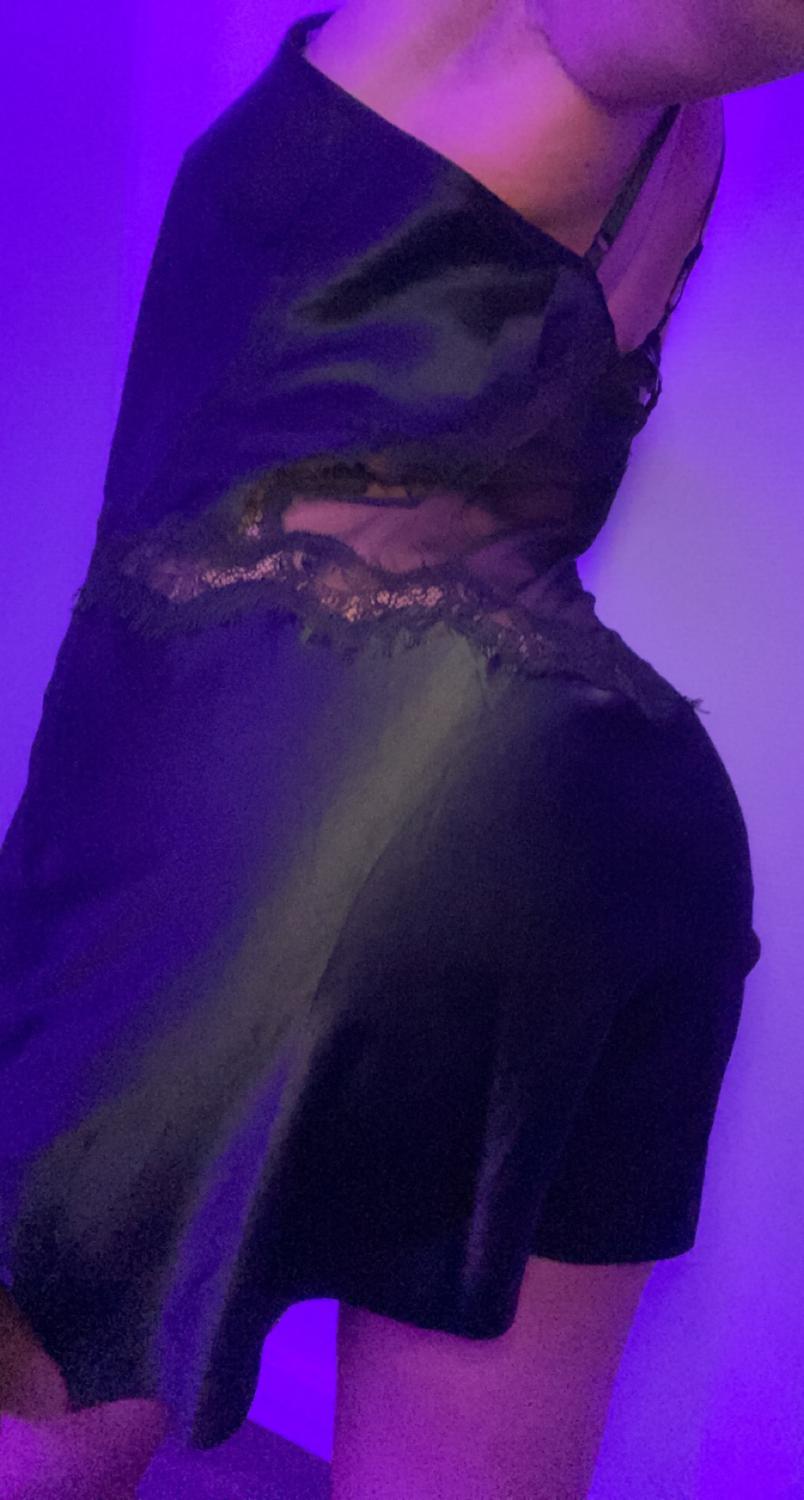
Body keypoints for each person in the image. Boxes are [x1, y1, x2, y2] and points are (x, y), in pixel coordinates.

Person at [2, 2, 790, 1494]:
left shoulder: (538, 24)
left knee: (41, 1381)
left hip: (290, 802)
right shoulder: (672, 132)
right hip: (599, 833)